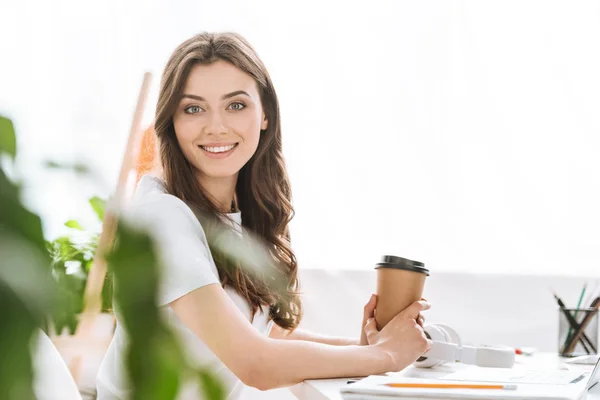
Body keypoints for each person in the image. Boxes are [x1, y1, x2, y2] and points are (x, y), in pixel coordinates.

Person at [96, 31, 432, 400]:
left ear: (265, 114)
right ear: (171, 122)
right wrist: (384, 355)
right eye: (193, 108)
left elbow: (264, 335)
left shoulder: (229, 216)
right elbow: (256, 362)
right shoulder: (162, 216)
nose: (216, 126)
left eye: (236, 105)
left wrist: (365, 346)